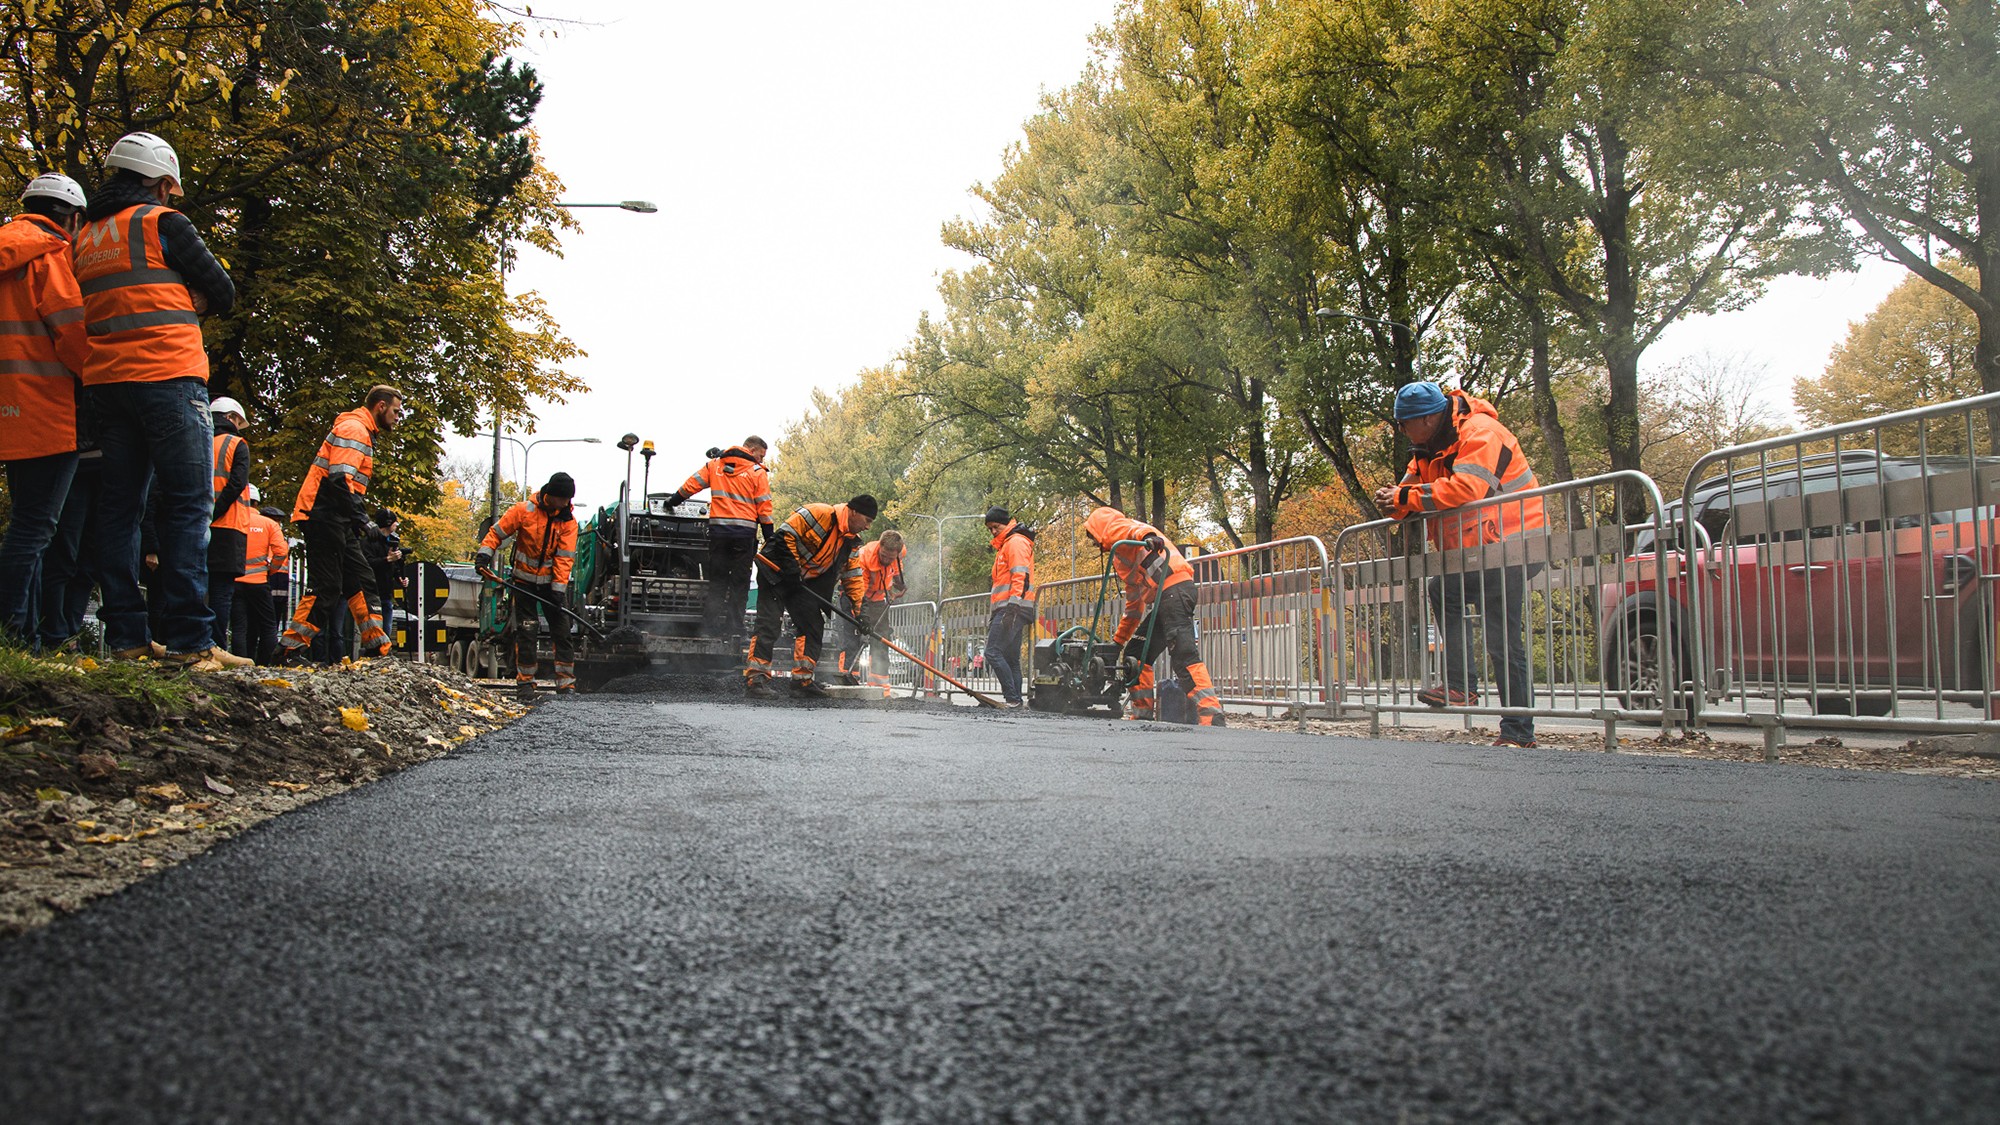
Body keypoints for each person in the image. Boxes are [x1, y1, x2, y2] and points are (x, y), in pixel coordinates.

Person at [73, 131, 246, 669]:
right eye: (171, 188)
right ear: (161, 182)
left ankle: (126, 637)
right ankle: (191, 642)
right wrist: (186, 294)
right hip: (168, 378)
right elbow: (223, 290)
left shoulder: (83, 238)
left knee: (119, 511)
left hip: (106, 386)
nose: (173, 197)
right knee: (186, 506)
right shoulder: (161, 224)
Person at [1373, 381, 1547, 749]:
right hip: (1477, 553)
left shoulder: (1482, 432)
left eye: (1404, 423)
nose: (1401, 431)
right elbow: (1406, 495)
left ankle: (1518, 731)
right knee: (1443, 591)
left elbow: (1468, 488)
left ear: (1428, 418)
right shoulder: (1425, 448)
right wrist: (1394, 501)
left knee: (1502, 637)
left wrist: (1405, 497)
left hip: (1514, 546)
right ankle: (1462, 686)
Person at [0, 174, 89, 646]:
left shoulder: (5, 249)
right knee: (34, 529)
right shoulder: (49, 257)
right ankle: (13, 635)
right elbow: (73, 333)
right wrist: (98, 378)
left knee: (25, 521)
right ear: (72, 219)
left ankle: (24, 635)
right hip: (45, 408)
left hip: (7, 409)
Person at [276, 385, 403, 664]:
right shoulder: (355, 429)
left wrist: (354, 519)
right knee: (328, 587)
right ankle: (289, 651)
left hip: (334, 517)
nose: (397, 417)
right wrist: (362, 519)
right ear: (380, 406)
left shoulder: (359, 430)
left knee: (361, 579)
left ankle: (377, 648)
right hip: (323, 516)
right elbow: (339, 480)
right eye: (395, 411)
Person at [1081, 506, 1225, 727]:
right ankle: (1142, 713)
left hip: (1174, 592)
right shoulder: (1121, 558)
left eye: (1092, 536)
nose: (1093, 542)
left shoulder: (1116, 528)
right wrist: (1117, 644)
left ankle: (1211, 713)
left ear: (1099, 529)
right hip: (1164, 599)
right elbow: (1134, 608)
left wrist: (1150, 539)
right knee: (1136, 654)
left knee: (1184, 655)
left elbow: (1138, 530)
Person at [744, 495, 876, 699]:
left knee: (812, 625)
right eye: (867, 520)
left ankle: (802, 681)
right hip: (776, 573)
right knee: (769, 623)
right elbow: (785, 535)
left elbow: (854, 580)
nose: (867, 527)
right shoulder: (818, 513)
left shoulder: (850, 544)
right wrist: (790, 568)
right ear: (854, 511)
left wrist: (862, 615)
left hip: (802, 582)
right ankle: (756, 679)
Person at [477, 473, 580, 702]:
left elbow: (564, 558)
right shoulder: (524, 511)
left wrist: (558, 590)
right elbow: (496, 533)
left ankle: (566, 684)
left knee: (562, 632)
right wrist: (483, 556)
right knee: (527, 631)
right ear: (550, 495)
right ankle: (525, 685)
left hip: (551, 587)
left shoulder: (568, 522)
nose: (567, 503)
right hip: (523, 584)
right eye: (563, 498)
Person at [665, 437, 774, 644]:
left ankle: (709, 628)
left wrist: (674, 500)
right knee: (740, 583)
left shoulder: (715, 465)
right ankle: (734, 628)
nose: (761, 459)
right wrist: (769, 535)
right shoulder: (757, 472)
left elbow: (692, 484)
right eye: (760, 455)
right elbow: (764, 506)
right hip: (744, 535)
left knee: (717, 582)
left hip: (719, 534)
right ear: (751, 450)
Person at [206, 396, 253, 653]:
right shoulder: (236, 444)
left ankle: (192, 643)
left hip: (195, 524)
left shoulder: (198, 440)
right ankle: (216, 647)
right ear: (231, 417)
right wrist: (215, 512)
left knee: (197, 586)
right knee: (221, 592)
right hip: (228, 525)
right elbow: (236, 483)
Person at [836, 529, 906, 695]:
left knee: (881, 638)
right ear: (879, 547)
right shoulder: (864, 558)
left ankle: (878, 683)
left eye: (891, 558)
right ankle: (848, 680)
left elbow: (896, 573)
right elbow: (859, 594)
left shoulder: (897, 556)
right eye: (884, 556)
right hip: (852, 597)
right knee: (852, 638)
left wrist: (900, 586)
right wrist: (862, 619)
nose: (887, 560)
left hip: (877, 599)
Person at [982, 506, 1036, 708]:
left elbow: (1020, 575)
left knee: (993, 652)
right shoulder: (1008, 544)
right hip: (1013, 607)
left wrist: (1012, 606)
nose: (993, 531)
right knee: (1011, 657)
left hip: (1012, 607)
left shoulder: (1015, 543)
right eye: (990, 529)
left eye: (995, 526)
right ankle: (1016, 701)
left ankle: (1012, 698)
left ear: (1006, 523)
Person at [232, 491, 287, 665]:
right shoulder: (268, 524)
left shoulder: (233, 519)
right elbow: (281, 551)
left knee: (239, 627)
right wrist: (272, 569)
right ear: (257, 503)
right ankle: (268, 664)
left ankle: (239, 664)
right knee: (269, 626)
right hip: (259, 582)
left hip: (236, 581)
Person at [364, 507, 406, 646]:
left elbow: (394, 567)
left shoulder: (393, 541)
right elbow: (367, 564)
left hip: (386, 593)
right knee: (374, 630)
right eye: (395, 522)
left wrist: (400, 577)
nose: (396, 525)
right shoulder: (369, 541)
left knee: (386, 630)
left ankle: (384, 655)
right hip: (371, 592)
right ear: (389, 523)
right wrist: (387, 559)